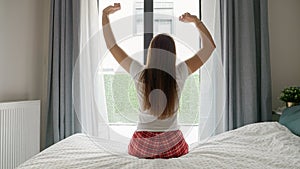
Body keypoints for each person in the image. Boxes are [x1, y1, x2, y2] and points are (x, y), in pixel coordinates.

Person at [102, 3, 216, 159]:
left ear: (151, 52)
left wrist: (105, 15)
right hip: (172, 145)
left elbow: (111, 45)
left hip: (143, 146)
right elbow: (209, 47)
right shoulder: (180, 72)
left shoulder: (139, 72)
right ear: (173, 54)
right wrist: (196, 21)